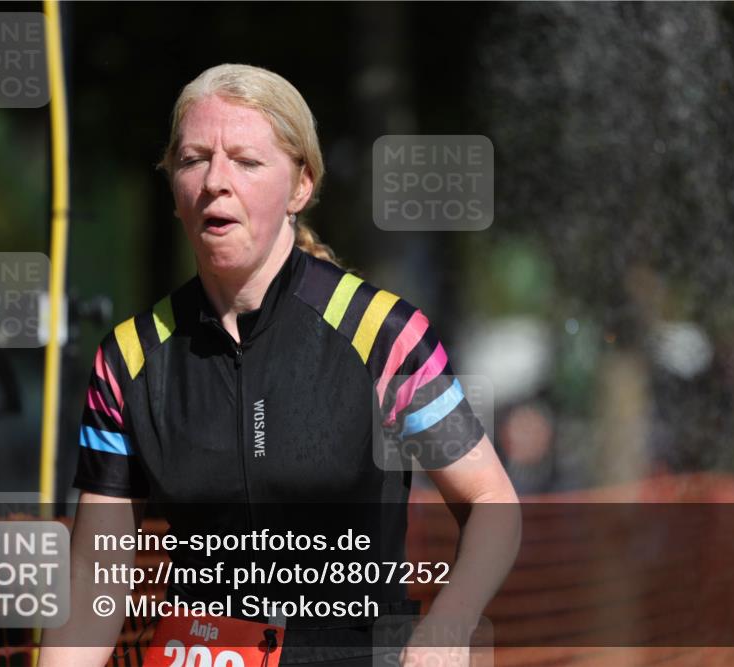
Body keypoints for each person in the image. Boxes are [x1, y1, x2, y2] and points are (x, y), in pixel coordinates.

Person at [39, 63, 520, 666]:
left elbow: (492, 504)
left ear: (300, 186)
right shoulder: (130, 359)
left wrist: (449, 623)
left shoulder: (383, 334)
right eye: (192, 159)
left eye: (245, 160)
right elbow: (94, 575)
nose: (215, 180)